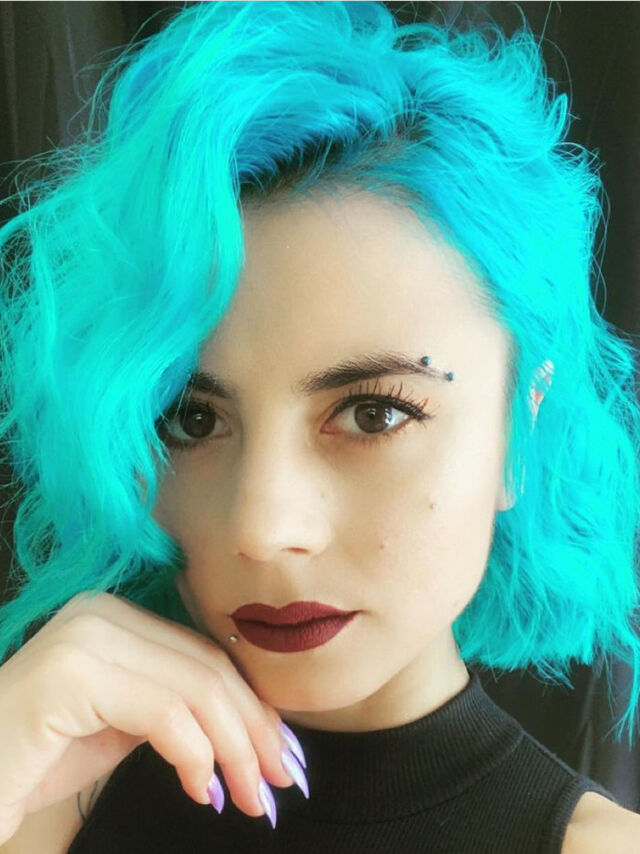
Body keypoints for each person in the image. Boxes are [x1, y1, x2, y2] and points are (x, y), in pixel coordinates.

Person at [0, 2, 639, 852]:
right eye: (192, 418)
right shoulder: (48, 786)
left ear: (520, 430)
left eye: (374, 413)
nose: (262, 529)